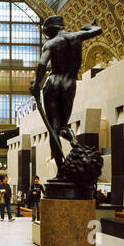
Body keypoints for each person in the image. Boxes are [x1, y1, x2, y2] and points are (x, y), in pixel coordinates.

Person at [29, 16, 102, 176]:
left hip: (53, 84)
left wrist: (36, 84)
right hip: (70, 84)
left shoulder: (51, 43)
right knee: (63, 126)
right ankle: (73, 141)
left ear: (50, 31)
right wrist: (87, 27)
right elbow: (98, 30)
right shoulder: (77, 36)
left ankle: (61, 171)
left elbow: (42, 63)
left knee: (54, 129)